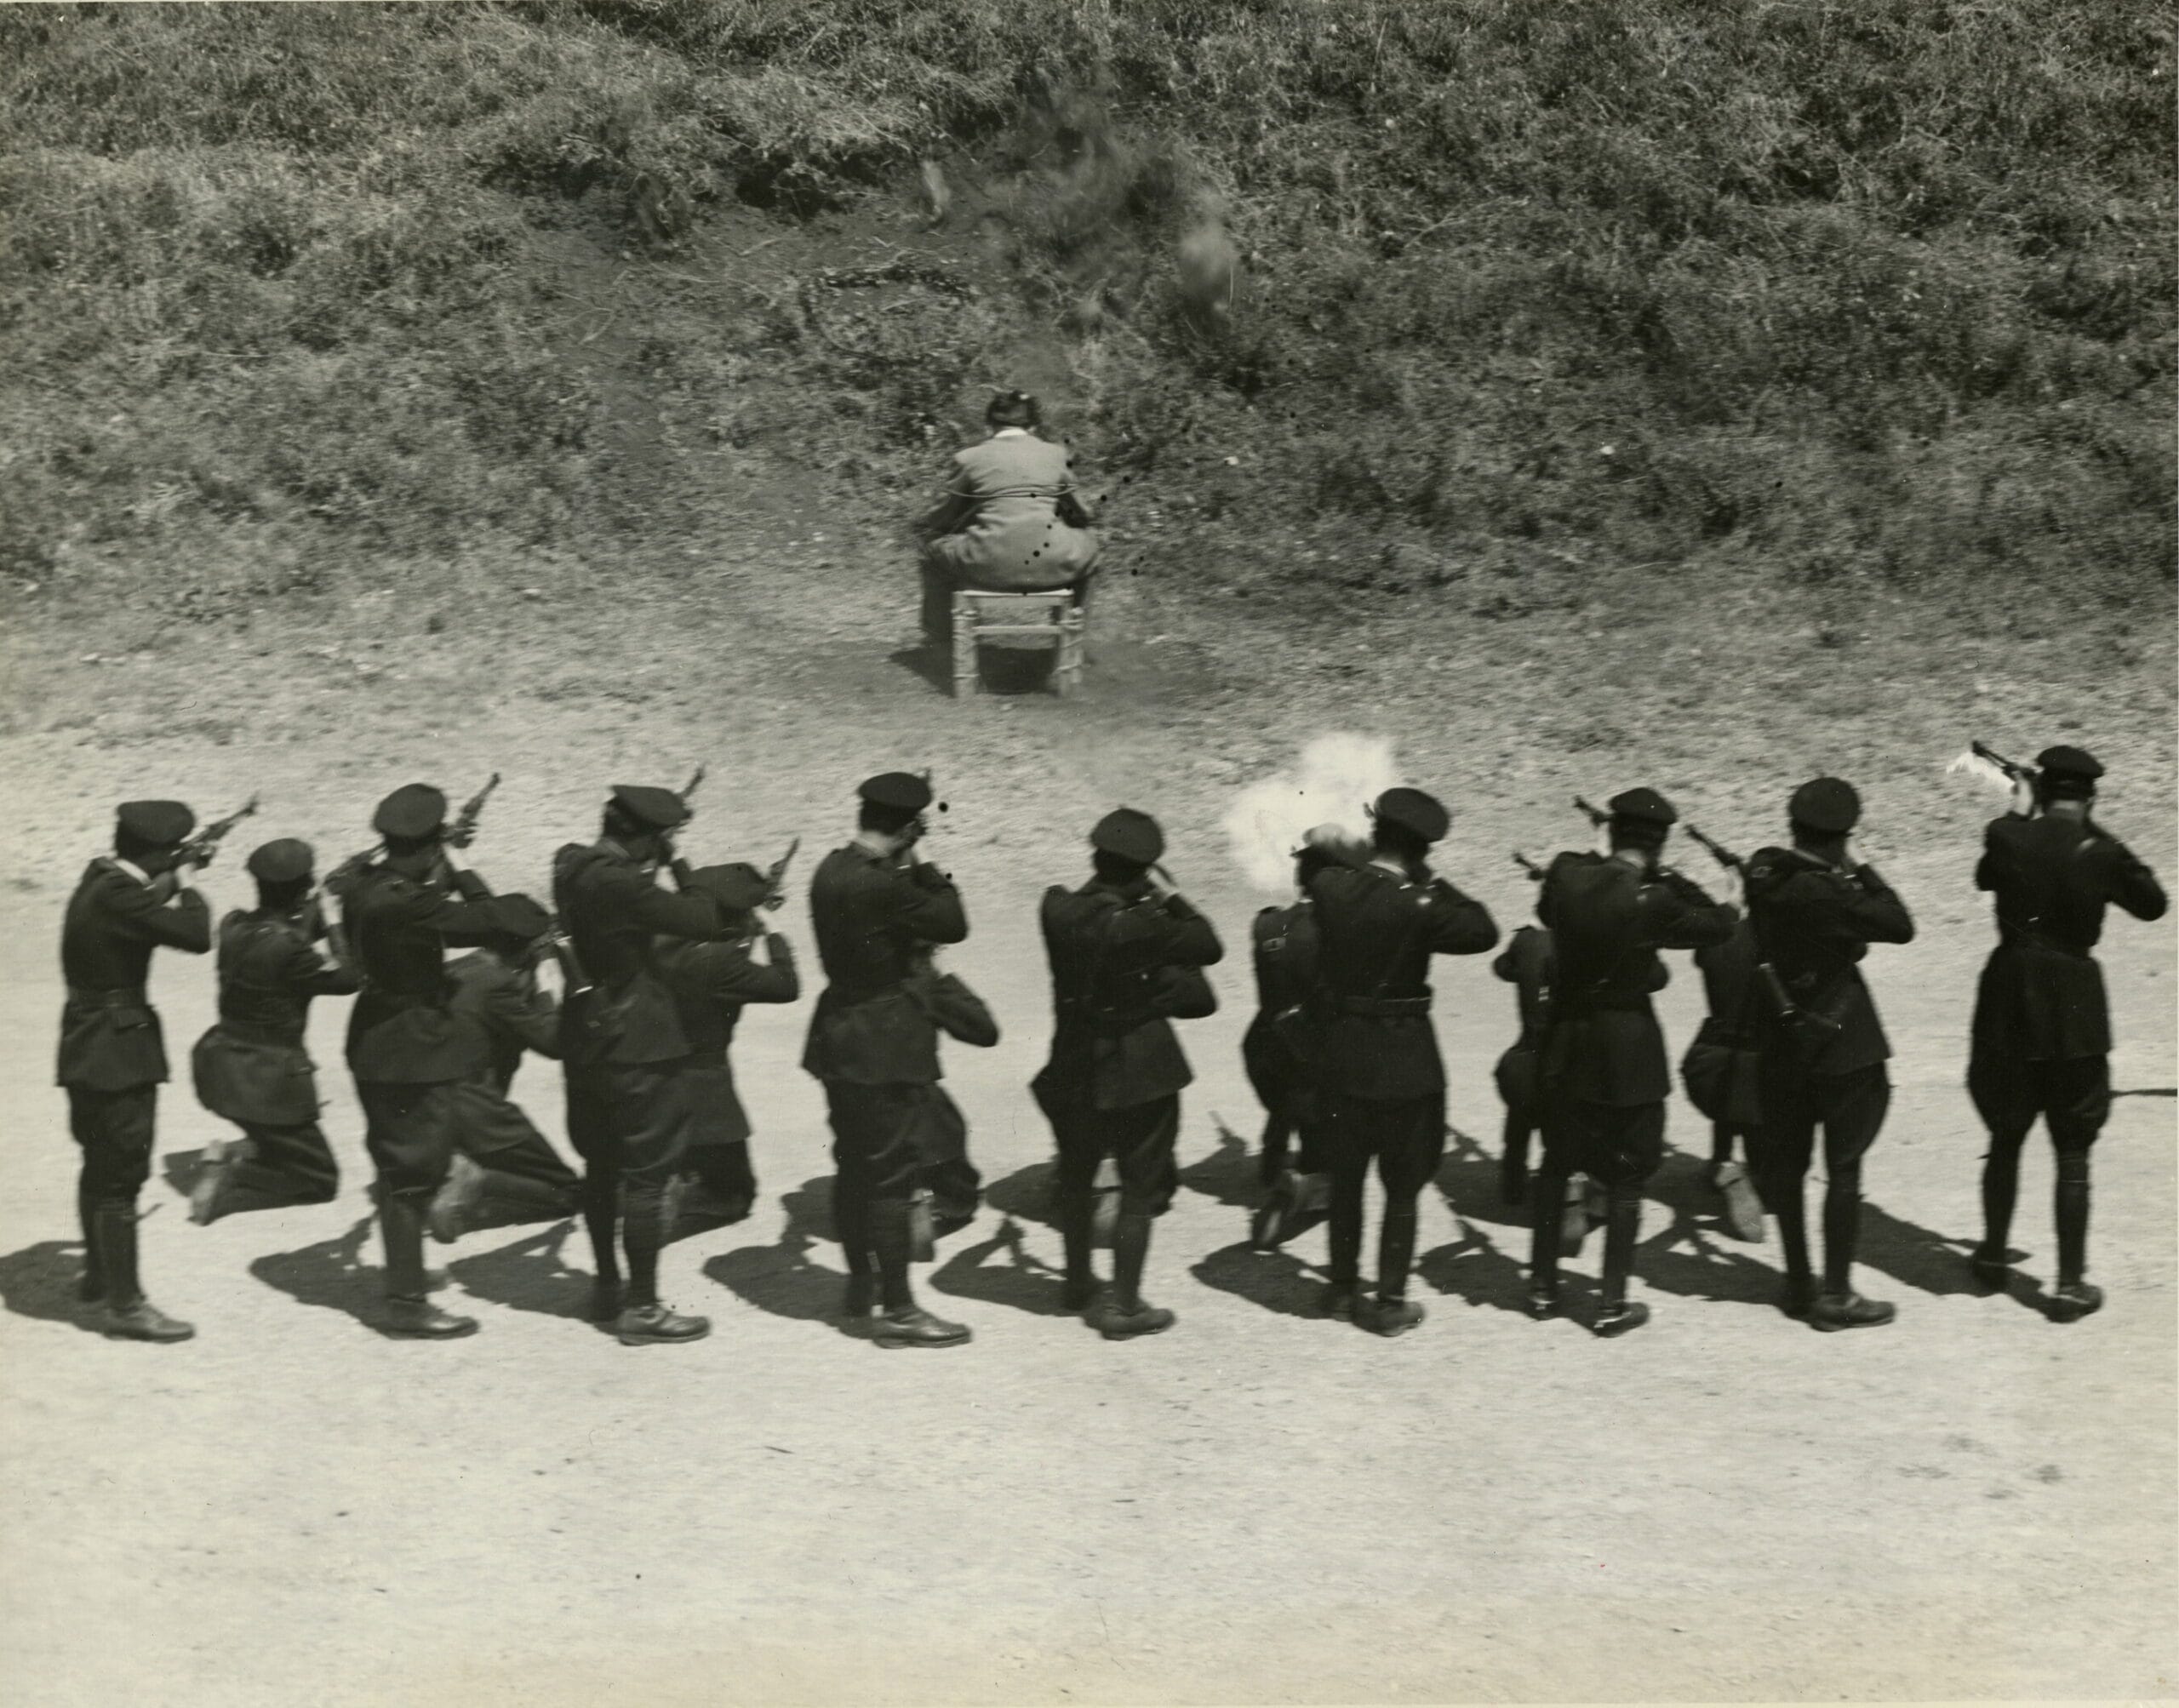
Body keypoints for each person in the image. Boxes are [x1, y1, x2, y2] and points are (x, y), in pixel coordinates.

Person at [1966, 745, 2166, 1320]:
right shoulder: (2100, 851)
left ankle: (1992, 1256)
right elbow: (2153, 903)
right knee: (2073, 1147)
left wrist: (2021, 810)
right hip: (2074, 1006)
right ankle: (2068, 1284)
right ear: (2090, 796)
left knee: (2006, 1135)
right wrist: (2094, 831)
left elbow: (1987, 872)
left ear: (2042, 790)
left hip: (2010, 998)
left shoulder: (2008, 836)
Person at [1527, 790, 1736, 1335]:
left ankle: (1542, 1290)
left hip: (1568, 1044)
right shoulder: (1655, 899)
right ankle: (1611, 1304)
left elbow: (1549, 908)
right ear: (1659, 843)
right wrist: (1722, 891)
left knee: (1556, 1166)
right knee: (1627, 1178)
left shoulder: (1568, 874)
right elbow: (1718, 923)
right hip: (1628, 1053)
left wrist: (1601, 856)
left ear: (1611, 833)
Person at [1306, 787, 1499, 1335]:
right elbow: (1482, 930)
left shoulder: (1331, 888)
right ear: (1420, 850)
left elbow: (1325, 865)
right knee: (1403, 1186)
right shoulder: (1423, 904)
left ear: (1376, 835)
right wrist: (1430, 879)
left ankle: (1342, 1289)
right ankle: (1389, 1301)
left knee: (1347, 1181)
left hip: (1344, 1053)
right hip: (1406, 1059)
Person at [1032, 808, 1225, 1338]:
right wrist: (1171, 895)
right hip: (1141, 1070)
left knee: (1076, 1178)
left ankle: (1076, 1282)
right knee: (1138, 1189)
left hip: (1074, 1064)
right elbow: (1209, 944)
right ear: (1144, 871)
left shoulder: (1056, 908)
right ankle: (1123, 1306)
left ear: (1096, 857)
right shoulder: (1149, 924)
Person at [802, 772, 974, 1347]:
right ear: (905, 828)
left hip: (839, 1033)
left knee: (854, 1163)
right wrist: (925, 862)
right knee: (893, 1175)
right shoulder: (885, 885)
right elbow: (953, 921)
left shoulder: (830, 869)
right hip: (884, 1042)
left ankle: (861, 1285)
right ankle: (899, 1309)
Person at [1743, 778, 1916, 1331]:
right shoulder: (1829, 892)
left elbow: (1769, 869)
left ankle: (1799, 1281)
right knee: (1843, 1168)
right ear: (1842, 835)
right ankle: (1836, 1295)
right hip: (1843, 1043)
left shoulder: (1764, 874)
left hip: (1782, 1042)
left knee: (1789, 1167)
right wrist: (1860, 867)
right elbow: (1900, 924)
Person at [552, 785, 720, 1346]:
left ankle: (607, 1285)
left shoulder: (571, 864)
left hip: (587, 1037)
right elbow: (703, 917)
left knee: (601, 1168)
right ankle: (643, 1307)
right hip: (638, 1044)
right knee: (648, 1175)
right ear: (648, 838)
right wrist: (679, 863)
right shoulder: (624, 883)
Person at [339, 783, 501, 1338]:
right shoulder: (405, 900)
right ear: (431, 844)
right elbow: (490, 919)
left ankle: (404, 1279)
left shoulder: (363, 881)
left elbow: (411, 900)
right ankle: (406, 1303)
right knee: (411, 1170)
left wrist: (438, 865)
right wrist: (460, 863)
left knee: (400, 1163)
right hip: (409, 1044)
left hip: (378, 1033)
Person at [57, 800, 215, 1340]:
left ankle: (99, 1278)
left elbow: (138, 910)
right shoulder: (122, 895)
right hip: (117, 1051)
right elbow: (196, 935)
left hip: (88, 1043)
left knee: (99, 1163)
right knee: (122, 1174)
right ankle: (126, 1308)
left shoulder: (101, 879)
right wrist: (189, 880)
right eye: (173, 852)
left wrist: (171, 872)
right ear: (159, 854)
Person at [190, 838, 360, 1225]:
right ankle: (233, 1173)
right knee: (321, 1181)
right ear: (304, 890)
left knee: (280, 1143)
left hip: (221, 1072)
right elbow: (349, 978)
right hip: (268, 1084)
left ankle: (259, 1151)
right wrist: (333, 918)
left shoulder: (233, 925)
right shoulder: (291, 949)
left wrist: (312, 907)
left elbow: (279, 940)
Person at [426, 893, 584, 1244]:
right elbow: (554, 1043)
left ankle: (455, 1169)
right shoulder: (499, 985)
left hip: (431, 1106)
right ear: (527, 947)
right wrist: (547, 983)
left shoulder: (459, 968)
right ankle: (477, 1180)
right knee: (570, 1192)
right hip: (474, 1107)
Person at [655, 862, 800, 1242]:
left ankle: (676, 1175)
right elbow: (787, 985)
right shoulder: (722, 962)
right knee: (739, 1195)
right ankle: (685, 1187)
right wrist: (772, 930)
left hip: (659, 1070)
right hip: (707, 1080)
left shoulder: (665, 939)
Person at [1243, 825, 1358, 1250]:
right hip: (1318, 1051)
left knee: (1290, 1101)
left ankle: (1276, 1157)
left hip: (1266, 1048)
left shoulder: (1268, 923)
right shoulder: (1342, 931)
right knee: (1327, 1137)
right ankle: (1297, 1190)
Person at [917, 390, 1101, 648]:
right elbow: (1084, 513)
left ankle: (940, 639)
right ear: (1033, 426)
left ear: (989, 425)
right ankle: (1073, 632)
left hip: (987, 564)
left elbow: (941, 517)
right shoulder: (1056, 454)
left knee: (928, 547)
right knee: (1093, 548)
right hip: (1052, 563)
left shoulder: (969, 458)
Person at [1679, 910, 1768, 1242]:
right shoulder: (1774, 934)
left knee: (1727, 1093)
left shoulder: (1713, 939)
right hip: (1760, 1051)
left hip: (1713, 1056)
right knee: (1757, 1106)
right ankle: (1756, 1173)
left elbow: (1701, 958)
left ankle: (1723, 1160)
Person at [1490, 919, 1554, 1210]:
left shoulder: (1527, 942)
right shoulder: (1588, 938)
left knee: (1518, 1121)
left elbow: (1502, 968)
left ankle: (1513, 1186)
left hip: (1527, 1056)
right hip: (1569, 1057)